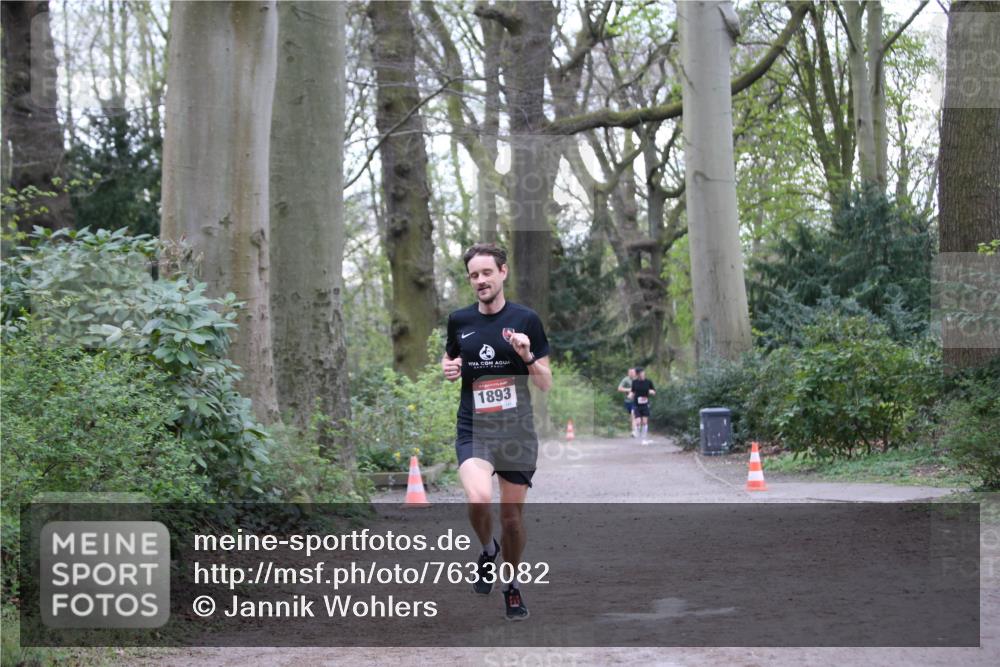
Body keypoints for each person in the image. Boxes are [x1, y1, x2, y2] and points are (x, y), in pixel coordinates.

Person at [441, 243, 552, 621]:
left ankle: (512, 585)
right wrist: (450, 367)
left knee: (512, 520)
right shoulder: (459, 320)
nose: (480, 281)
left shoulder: (526, 320)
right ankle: (488, 551)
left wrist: (526, 356)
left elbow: (545, 383)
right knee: (476, 497)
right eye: (474, 275)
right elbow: (450, 355)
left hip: (516, 432)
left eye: (487, 272)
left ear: (503, 273)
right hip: (475, 427)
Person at [630, 367, 656, 444]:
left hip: (645, 404)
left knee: (644, 422)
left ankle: (644, 437)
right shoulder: (634, 382)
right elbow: (632, 391)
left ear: (644, 373)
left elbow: (654, 391)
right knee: (638, 421)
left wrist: (652, 392)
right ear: (637, 375)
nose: (641, 375)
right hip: (636, 404)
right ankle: (637, 432)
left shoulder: (648, 382)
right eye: (639, 374)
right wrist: (630, 395)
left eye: (642, 373)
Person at [617, 367, 638, 437]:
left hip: (637, 401)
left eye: (633, 372)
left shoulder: (638, 379)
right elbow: (619, 388)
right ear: (628, 373)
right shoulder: (626, 379)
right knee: (632, 416)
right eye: (630, 372)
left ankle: (634, 432)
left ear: (635, 373)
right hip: (628, 401)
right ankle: (635, 428)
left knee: (633, 414)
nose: (631, 374)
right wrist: (629, 390)